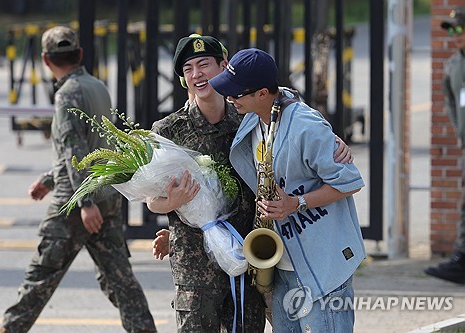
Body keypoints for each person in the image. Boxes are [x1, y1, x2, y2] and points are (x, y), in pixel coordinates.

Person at [149, 35, 354, 332]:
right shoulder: (168, 130)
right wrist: (172, 205)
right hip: (195, 267)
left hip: (248, 260)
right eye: (188, 69)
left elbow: (284, 103)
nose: (197, 74)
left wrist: (332, 140)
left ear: (224, 66)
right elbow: (152, 200)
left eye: (204, 64)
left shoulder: (248, 115)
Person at [0, 26, 156, 333]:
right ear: (81, 55)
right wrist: (50, 177)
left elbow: (75, 146)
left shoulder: (67, 93)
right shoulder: (97, 86)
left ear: (45, 60)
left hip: (76, 201)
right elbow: (96, 146)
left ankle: (10, 329)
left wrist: (84, 201)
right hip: (106, 193)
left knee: (42, 273)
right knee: (119, 277)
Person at [208, 48, 366, 333]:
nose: (230, 99)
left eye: (236, 93)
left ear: (262, 93)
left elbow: (350, 182)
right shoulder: (253, 118)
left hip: (323, 263)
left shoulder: (307, 126)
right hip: (284, 265)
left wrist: (297, 203)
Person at [424, 7, 465, 285]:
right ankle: (461, 261)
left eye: (459, 29)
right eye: (451, 30)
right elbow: (451, 101)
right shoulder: (454, 64)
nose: (454, 35)